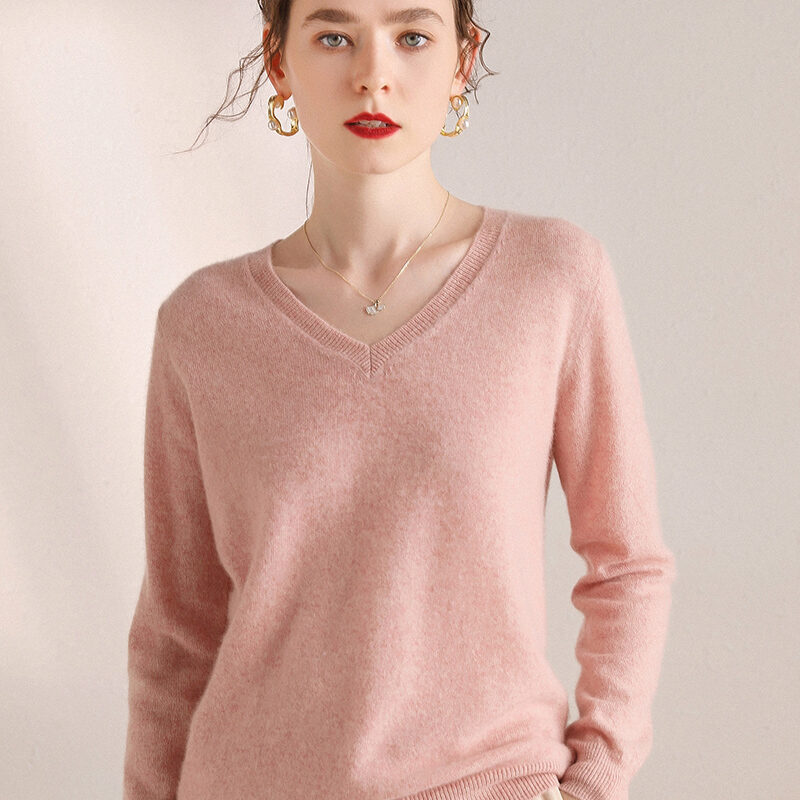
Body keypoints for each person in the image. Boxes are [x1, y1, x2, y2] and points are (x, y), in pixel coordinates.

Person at [123, 2, 676, 800]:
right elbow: (176, 634)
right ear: (278, 62)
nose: (372, 74)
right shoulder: (203, 325)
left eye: (412, 36)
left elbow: (626, 563)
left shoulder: (552, 278)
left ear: (462, 59)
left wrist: (598, 774)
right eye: (333, 36)